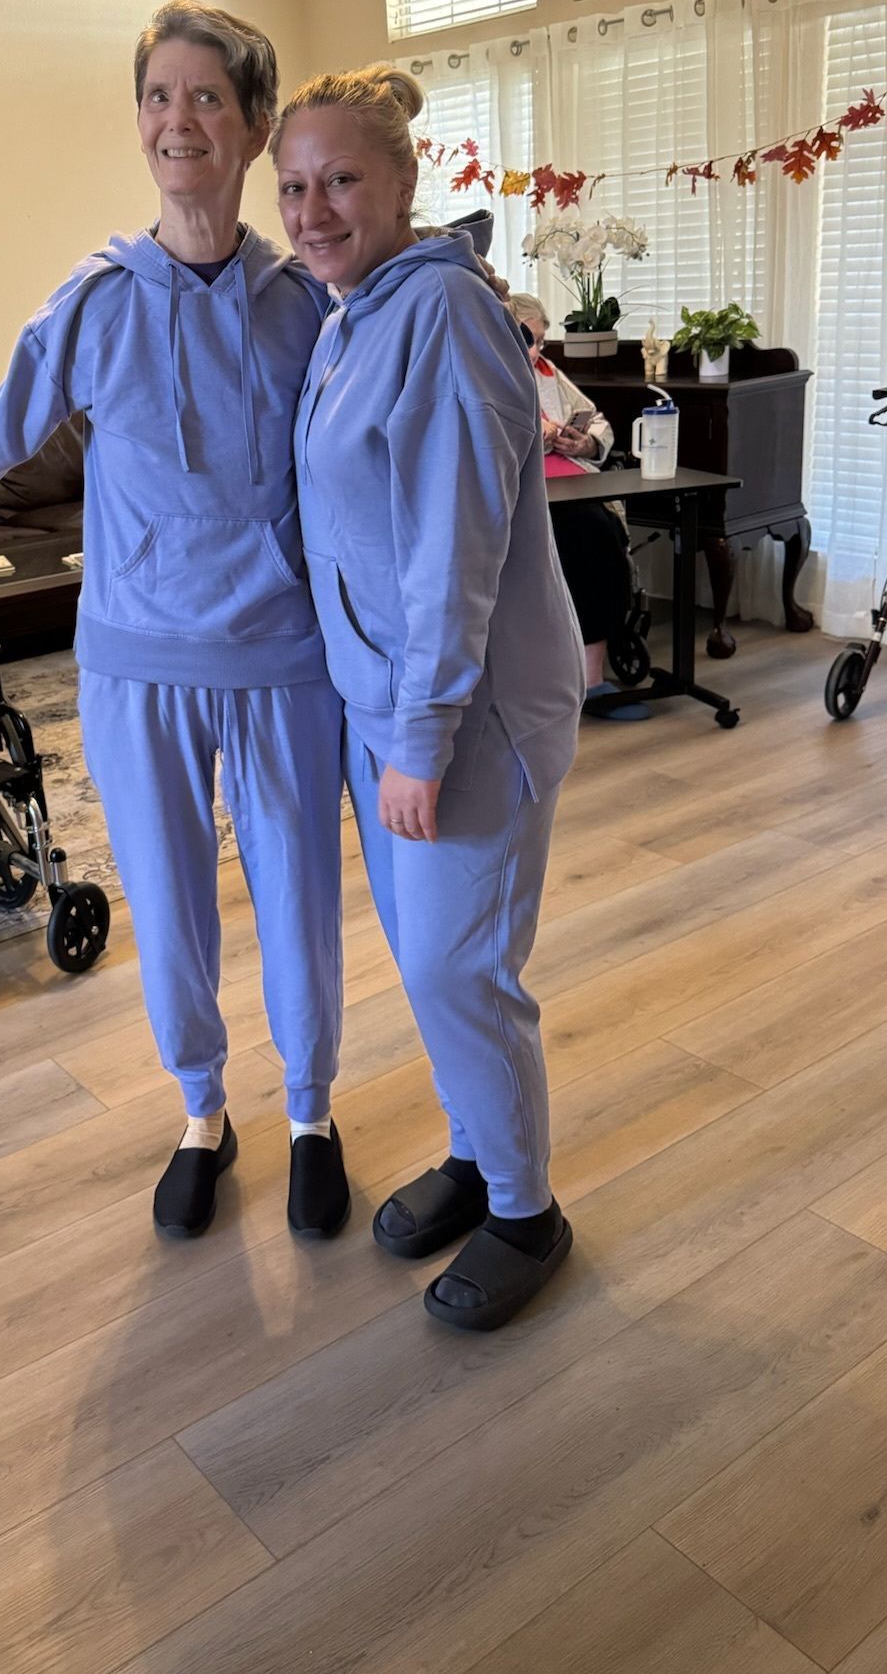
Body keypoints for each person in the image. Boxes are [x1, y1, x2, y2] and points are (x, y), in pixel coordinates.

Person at [0, 0, 350, 1244]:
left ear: (255, 126)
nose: (177, 120)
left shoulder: (308, 300)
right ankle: (203, 1112)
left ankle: (312, 1112)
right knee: (169, 900)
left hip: (284, 662)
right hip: (138, 665)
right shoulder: (94, 302)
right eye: (157, 97)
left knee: (302, 897)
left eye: (206, 97)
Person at [272, 65, 583, 1332]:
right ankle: (476, 1147)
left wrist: (421, 735)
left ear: (404, 180)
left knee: (463, 967)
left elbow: (452, 553)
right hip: (385, 704)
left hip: (469, 712)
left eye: (342, 179)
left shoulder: (445, 315)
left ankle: (526, 1209)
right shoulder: (349, 312)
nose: (313, 209)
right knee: (432, 965)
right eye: (293, 186)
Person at [513, 294, 645, 718]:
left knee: (603, 536)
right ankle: (571, 676)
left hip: (573, 480)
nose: (538, 351)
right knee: (586, 536)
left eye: (541, 341)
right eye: (530, 340)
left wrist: (583, 441)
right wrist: (536, 434)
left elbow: (595, 417)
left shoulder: (548, 374)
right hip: (526, 489)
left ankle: (592, 676)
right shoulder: (484, 373)